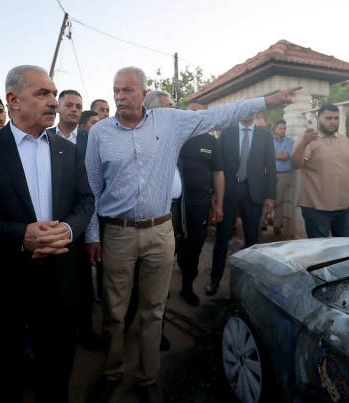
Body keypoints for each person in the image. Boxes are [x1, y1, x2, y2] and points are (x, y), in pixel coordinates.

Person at [85, 65, 301, 403]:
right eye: (116, 90)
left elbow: (220, 114)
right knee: (114, 311)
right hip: (118, 234)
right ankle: (112, 373)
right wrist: (93, 235)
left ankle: (147, 378)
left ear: (144, 94)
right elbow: (93, 188)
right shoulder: (100, 133)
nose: (120, 96)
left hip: (159, 232)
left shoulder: (170, 121)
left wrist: (266, 101)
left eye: (128, 90)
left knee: (154, 310)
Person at [0, 65, 94, 402]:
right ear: (13, 99)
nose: (54, 102)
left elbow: (86, 201)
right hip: (2, 282)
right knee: (3, 370)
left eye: (54, 94)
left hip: (59, 278)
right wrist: (19, 236)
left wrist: (68, 230)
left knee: (56, 369)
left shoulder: (67, 150)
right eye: (43, 93)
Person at [48, 89, 101, 351]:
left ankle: (86, 329)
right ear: (58, 107)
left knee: (83, 284)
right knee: (55, 285)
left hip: (82, 222)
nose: (74, 109)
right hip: (53, 225)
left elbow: (93, 189)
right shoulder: (44, 138)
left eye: (78, 106)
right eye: (68, 104)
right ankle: (58, 332)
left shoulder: (91, 140)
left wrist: (92, 234)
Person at [207, 112, 277, 296]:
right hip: (229, 191)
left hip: (254, 192)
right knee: (222, 237)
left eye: (251, 109)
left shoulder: (265, 135)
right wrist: (215, 192)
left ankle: (251, 284)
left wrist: (271, 196)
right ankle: (214, 280)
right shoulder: (227, 133)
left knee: (253, 239)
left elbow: (271, 166)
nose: (248, 113)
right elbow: (217, 165)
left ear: (256, 112)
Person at [290, 103, 349, 238]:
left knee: (346, 251)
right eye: (328, 118)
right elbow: (295, 165)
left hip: (346, 207)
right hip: (316, 209)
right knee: (320, 253)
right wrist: (304, 143)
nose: (333, 122)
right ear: (318, 118)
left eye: (336, 118)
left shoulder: (344, 140)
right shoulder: (307, 140)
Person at [178, 100, 225, 305]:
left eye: (200, 113)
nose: (196, 116)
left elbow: (218, 173)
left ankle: (187, 287)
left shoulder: (211, 141)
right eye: (192, 112)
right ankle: (161, 289)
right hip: (175, 204)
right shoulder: (176, 137)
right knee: (175, 245)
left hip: (200, 203)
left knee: (196, 246)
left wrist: (219, 203)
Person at [260, 119, 293, 236]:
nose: (283, 130)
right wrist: (278, 155)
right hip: (269, 174)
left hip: (283, 174)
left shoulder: (289, 141)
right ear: (275, 129)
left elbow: (285, 156)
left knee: (279, 201)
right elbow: (266, 156)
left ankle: (277, 225)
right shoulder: (270, 141)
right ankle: (263, 223)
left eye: (284, 128)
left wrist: (274, 155)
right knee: (266, 198)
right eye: (280, 128)